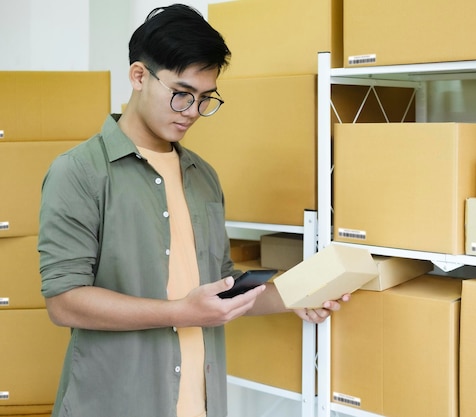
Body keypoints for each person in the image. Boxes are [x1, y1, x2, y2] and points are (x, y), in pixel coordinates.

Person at [38, 4, 348, 417]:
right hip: (114, 402)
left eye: (205, 99)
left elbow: (221, 288)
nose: (192, 113)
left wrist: (294, 296)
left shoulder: (202, 176)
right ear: (138, 76)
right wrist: (180, 313)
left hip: (199, 404)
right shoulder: (78, 172)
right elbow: (65, 301)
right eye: (181, 94)